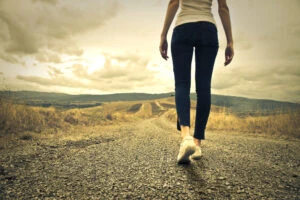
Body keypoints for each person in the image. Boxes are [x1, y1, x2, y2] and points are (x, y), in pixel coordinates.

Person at [159, 0, 234, 164]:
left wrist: (163, 35)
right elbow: (223, 8)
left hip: (182, 28)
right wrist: (230, 41)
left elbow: (173, 3)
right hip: (207, 28)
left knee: (181, 85)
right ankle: (197, 143)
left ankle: (186, 136)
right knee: (204, 88)